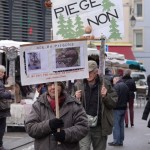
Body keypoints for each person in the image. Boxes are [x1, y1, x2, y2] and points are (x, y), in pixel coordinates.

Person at [25, 81, 88, 150]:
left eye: (56, 84)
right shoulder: (38, 105)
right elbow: (30, 127)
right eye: (50, 84)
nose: (53, 87)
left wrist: (65, 134)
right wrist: (49, 125)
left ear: (62, 86)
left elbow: (83, 127)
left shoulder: (73, 104)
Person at [74, 60, 118, 150]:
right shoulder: (79, 84)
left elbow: (113, 103)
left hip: (99, 126)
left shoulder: (105, 84)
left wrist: (106, 96)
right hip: (83, 125)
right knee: (83, 148)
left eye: (90, 72)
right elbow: (70, 104)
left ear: (96, 72)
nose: (88, 74)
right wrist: (75, 97)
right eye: (86, 72)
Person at [108, 75, 129, 146]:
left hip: (117, 108)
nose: (113, 82)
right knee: (121, 125)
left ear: (116, 79)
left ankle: (116, 141)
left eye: (113, 80)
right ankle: (120, 140)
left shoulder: (116, 86)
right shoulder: (125, 85)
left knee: (116, 125)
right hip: (123, 108)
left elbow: (114, 98)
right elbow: (129, 97)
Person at [0, 65, 14, 150]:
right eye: (1, 72)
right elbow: (1, 94)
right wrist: (10, 93)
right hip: (1, 108)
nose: (2, 73)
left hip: (1, 108)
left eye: (3, 72)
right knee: (1, 127)